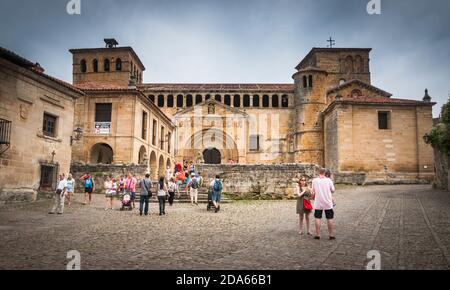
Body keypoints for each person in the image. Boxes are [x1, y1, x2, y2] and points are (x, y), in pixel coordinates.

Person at [311, 168, 336, 240]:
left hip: (318, 202)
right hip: (328, 202)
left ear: (318, 172)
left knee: (317, 218)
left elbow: (313, 192)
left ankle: (318, 234)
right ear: (325, 173)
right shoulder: (329, 180)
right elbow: (333, 190)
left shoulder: (314, 181)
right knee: (329, 218)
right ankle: (331, 234)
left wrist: (313, 197)